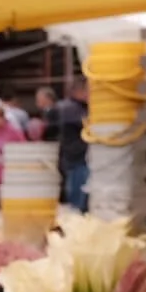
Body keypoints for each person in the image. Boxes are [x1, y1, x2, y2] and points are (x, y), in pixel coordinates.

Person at [57, 76, 90, 211]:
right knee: (77, 195)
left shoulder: (77, 107)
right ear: (78, 91)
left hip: (80, 156)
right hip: (76, 157)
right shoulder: (70, 108)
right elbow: (87, 125)